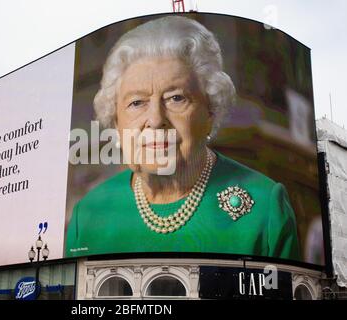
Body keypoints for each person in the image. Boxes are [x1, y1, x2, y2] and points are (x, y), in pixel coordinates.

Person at [65, 15, 301, 261]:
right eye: (137, 103)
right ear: (116, 122)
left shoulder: (265, 206)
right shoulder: (89, 214)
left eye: (176, 98)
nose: (155, 119)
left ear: (210, 110)